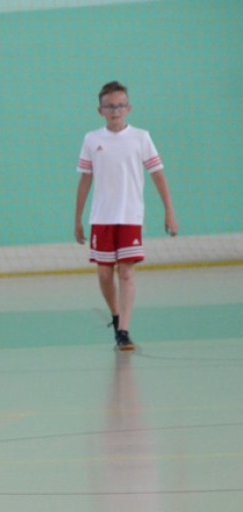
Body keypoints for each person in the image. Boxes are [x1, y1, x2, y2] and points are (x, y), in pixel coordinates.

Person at [74, 80, 177, 351]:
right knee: (105, 273)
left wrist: (169, 211)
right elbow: (85, 180)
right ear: (100, 111)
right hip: (101, 218)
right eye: (109, 106)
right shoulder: (92, 139)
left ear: (128, 109)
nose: (115, 111)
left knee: (127, 272)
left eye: (120, 106)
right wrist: (78, 219)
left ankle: (124, 331)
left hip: (130, 216)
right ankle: (116, 315)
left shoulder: (141, 138)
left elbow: (158, 175)